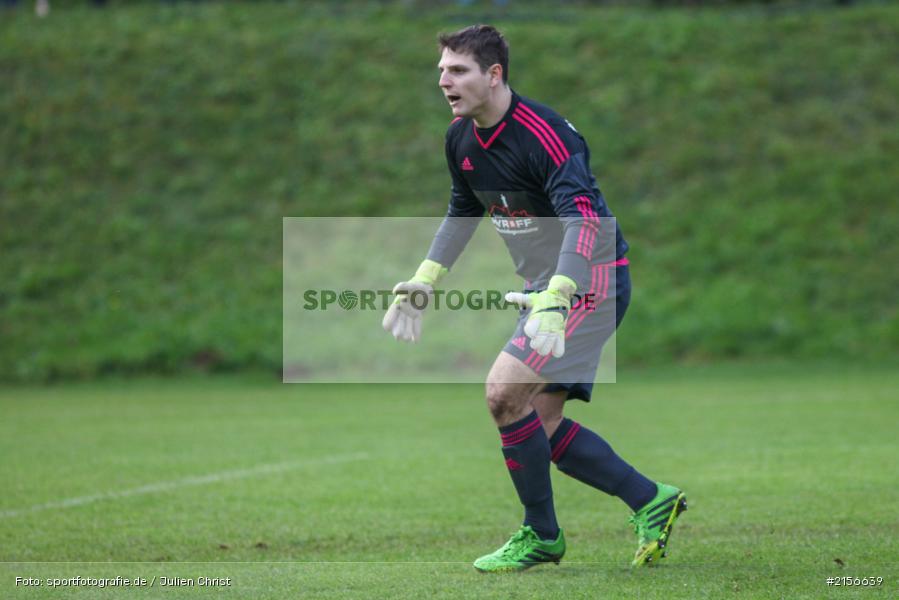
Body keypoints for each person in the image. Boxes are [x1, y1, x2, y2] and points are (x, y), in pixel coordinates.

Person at [382, 24, 688, 572]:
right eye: (441, 72)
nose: (444, 82)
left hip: (590, 280)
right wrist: (425, 279)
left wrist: (560, 292)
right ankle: (650, 499)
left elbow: (583, 218)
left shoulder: (546, 134)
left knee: (503, 392)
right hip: (544, 289)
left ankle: (541, 535)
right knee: (535, 423)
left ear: (494, 75)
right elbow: (463, 209)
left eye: (457, 71)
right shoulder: (459, 139)